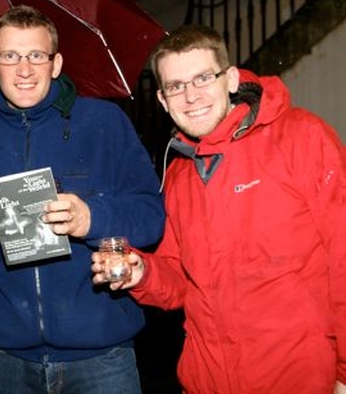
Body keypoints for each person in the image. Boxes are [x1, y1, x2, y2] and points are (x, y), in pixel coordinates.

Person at [92, 24, 346, 393]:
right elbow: (180, 281)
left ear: (229, 79)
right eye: (176, 86)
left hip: (301, 378)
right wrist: (141, 272)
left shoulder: (301, 137)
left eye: (202, 78)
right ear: (163, 100)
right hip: (207, 381)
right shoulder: (180, 174)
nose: (191, 96)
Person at [0, 5, 165, 393]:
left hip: (101, 356)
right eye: (10, 56)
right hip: (5, 358)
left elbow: (151, 216)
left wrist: (91, 217)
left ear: (56, 64)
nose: (24, 69)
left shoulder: (103, 122)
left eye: (36, 55)